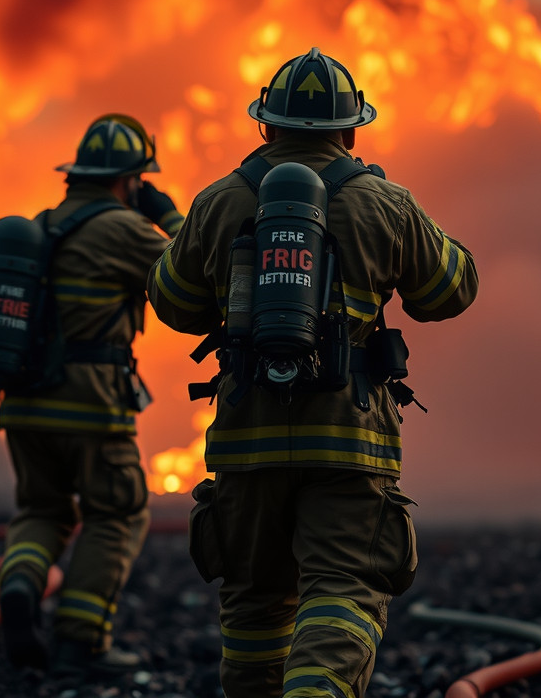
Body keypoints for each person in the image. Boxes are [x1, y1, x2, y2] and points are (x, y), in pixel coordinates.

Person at [149, 48, 478, 698]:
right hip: (348, 441)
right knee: (344, 587)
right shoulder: (383, 202)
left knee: (254, 603)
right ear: (350, 128)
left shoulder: (217, 202)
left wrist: (195, 241)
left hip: (247, 443)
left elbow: (172, 303)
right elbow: (451, 290)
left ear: (265, 125)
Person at [0, 114, 186, 673]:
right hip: (91, 404)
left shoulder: (43, 225)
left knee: (43, 508)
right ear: (129, 179)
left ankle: (20, 586)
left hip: (24, 403)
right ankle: (81, 639)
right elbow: (196, 275)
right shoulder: (122, 230)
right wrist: (167, 215)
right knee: (118, 512)